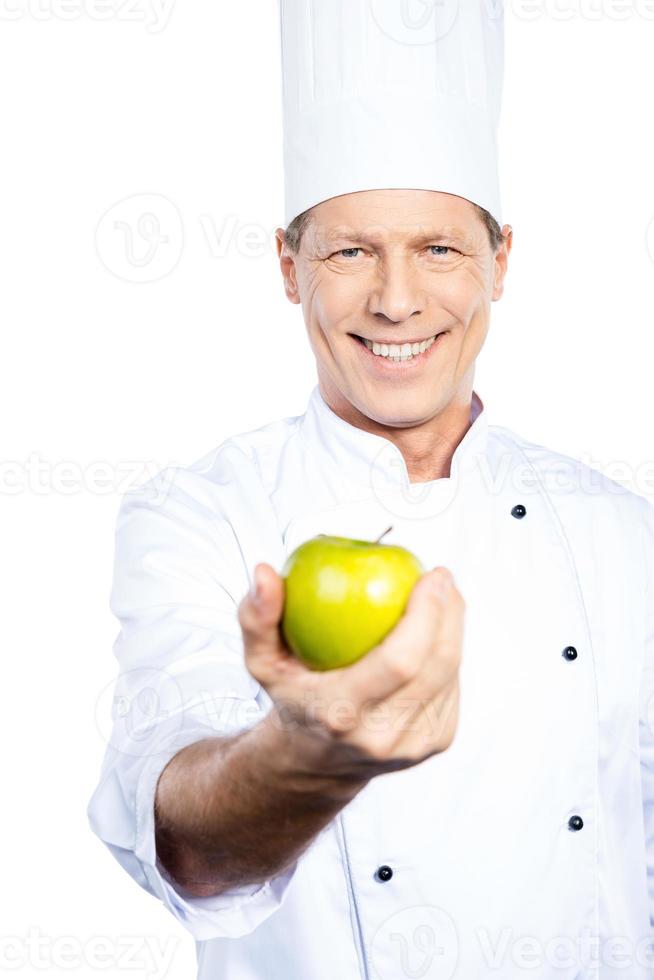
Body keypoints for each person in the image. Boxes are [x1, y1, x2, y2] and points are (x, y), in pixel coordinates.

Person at [87, 2, 654, 978]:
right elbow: (183, 839)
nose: (397, 299)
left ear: (500, 262)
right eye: (351, 250)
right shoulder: (202, 515)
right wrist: (314, 755)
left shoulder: (618, 531)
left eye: (439, 247)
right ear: (287, 264)